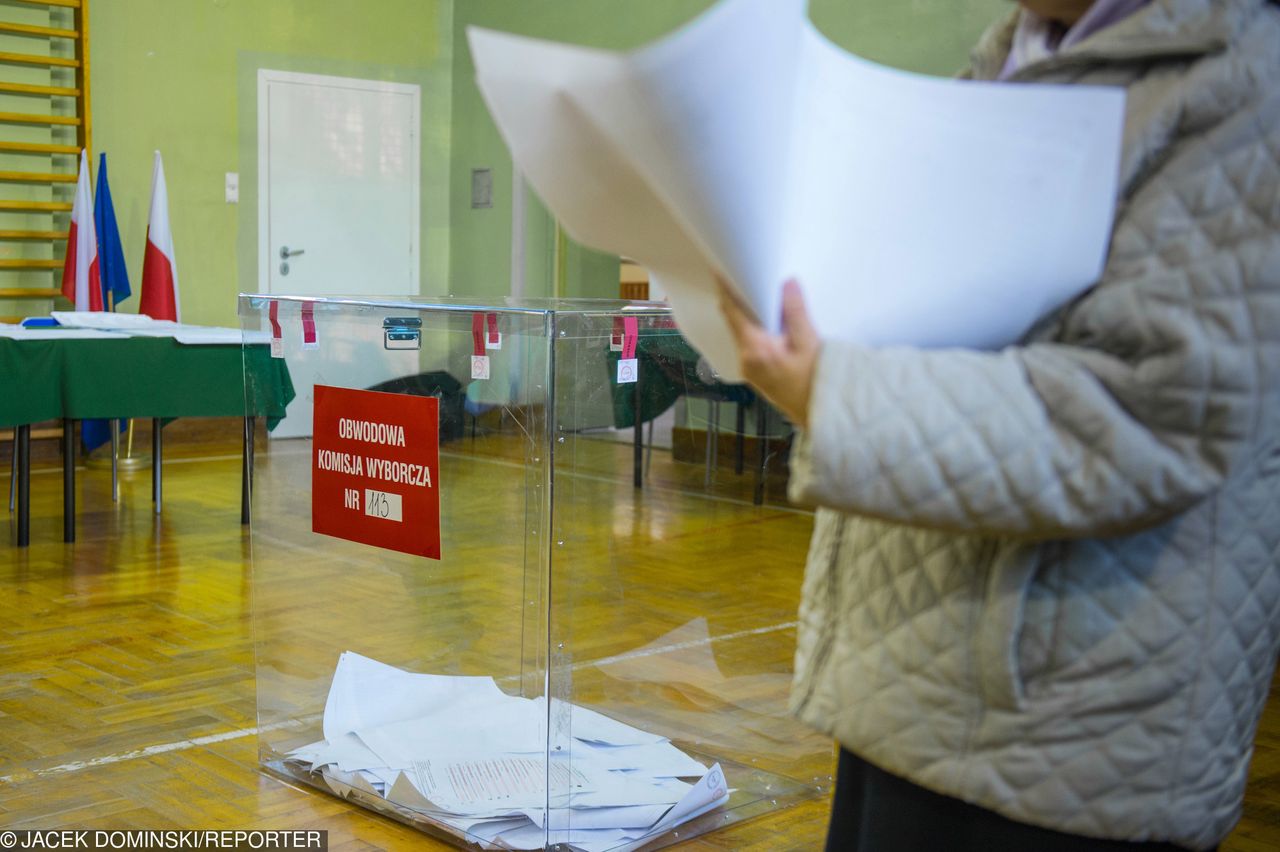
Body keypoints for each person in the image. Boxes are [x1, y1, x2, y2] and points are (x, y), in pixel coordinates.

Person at [718, 0, 1280, 849]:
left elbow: (1152, 412)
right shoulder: (1011, 55)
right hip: (909, 671)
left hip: (1060, 725)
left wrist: (839, 394)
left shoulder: (1243, 78)